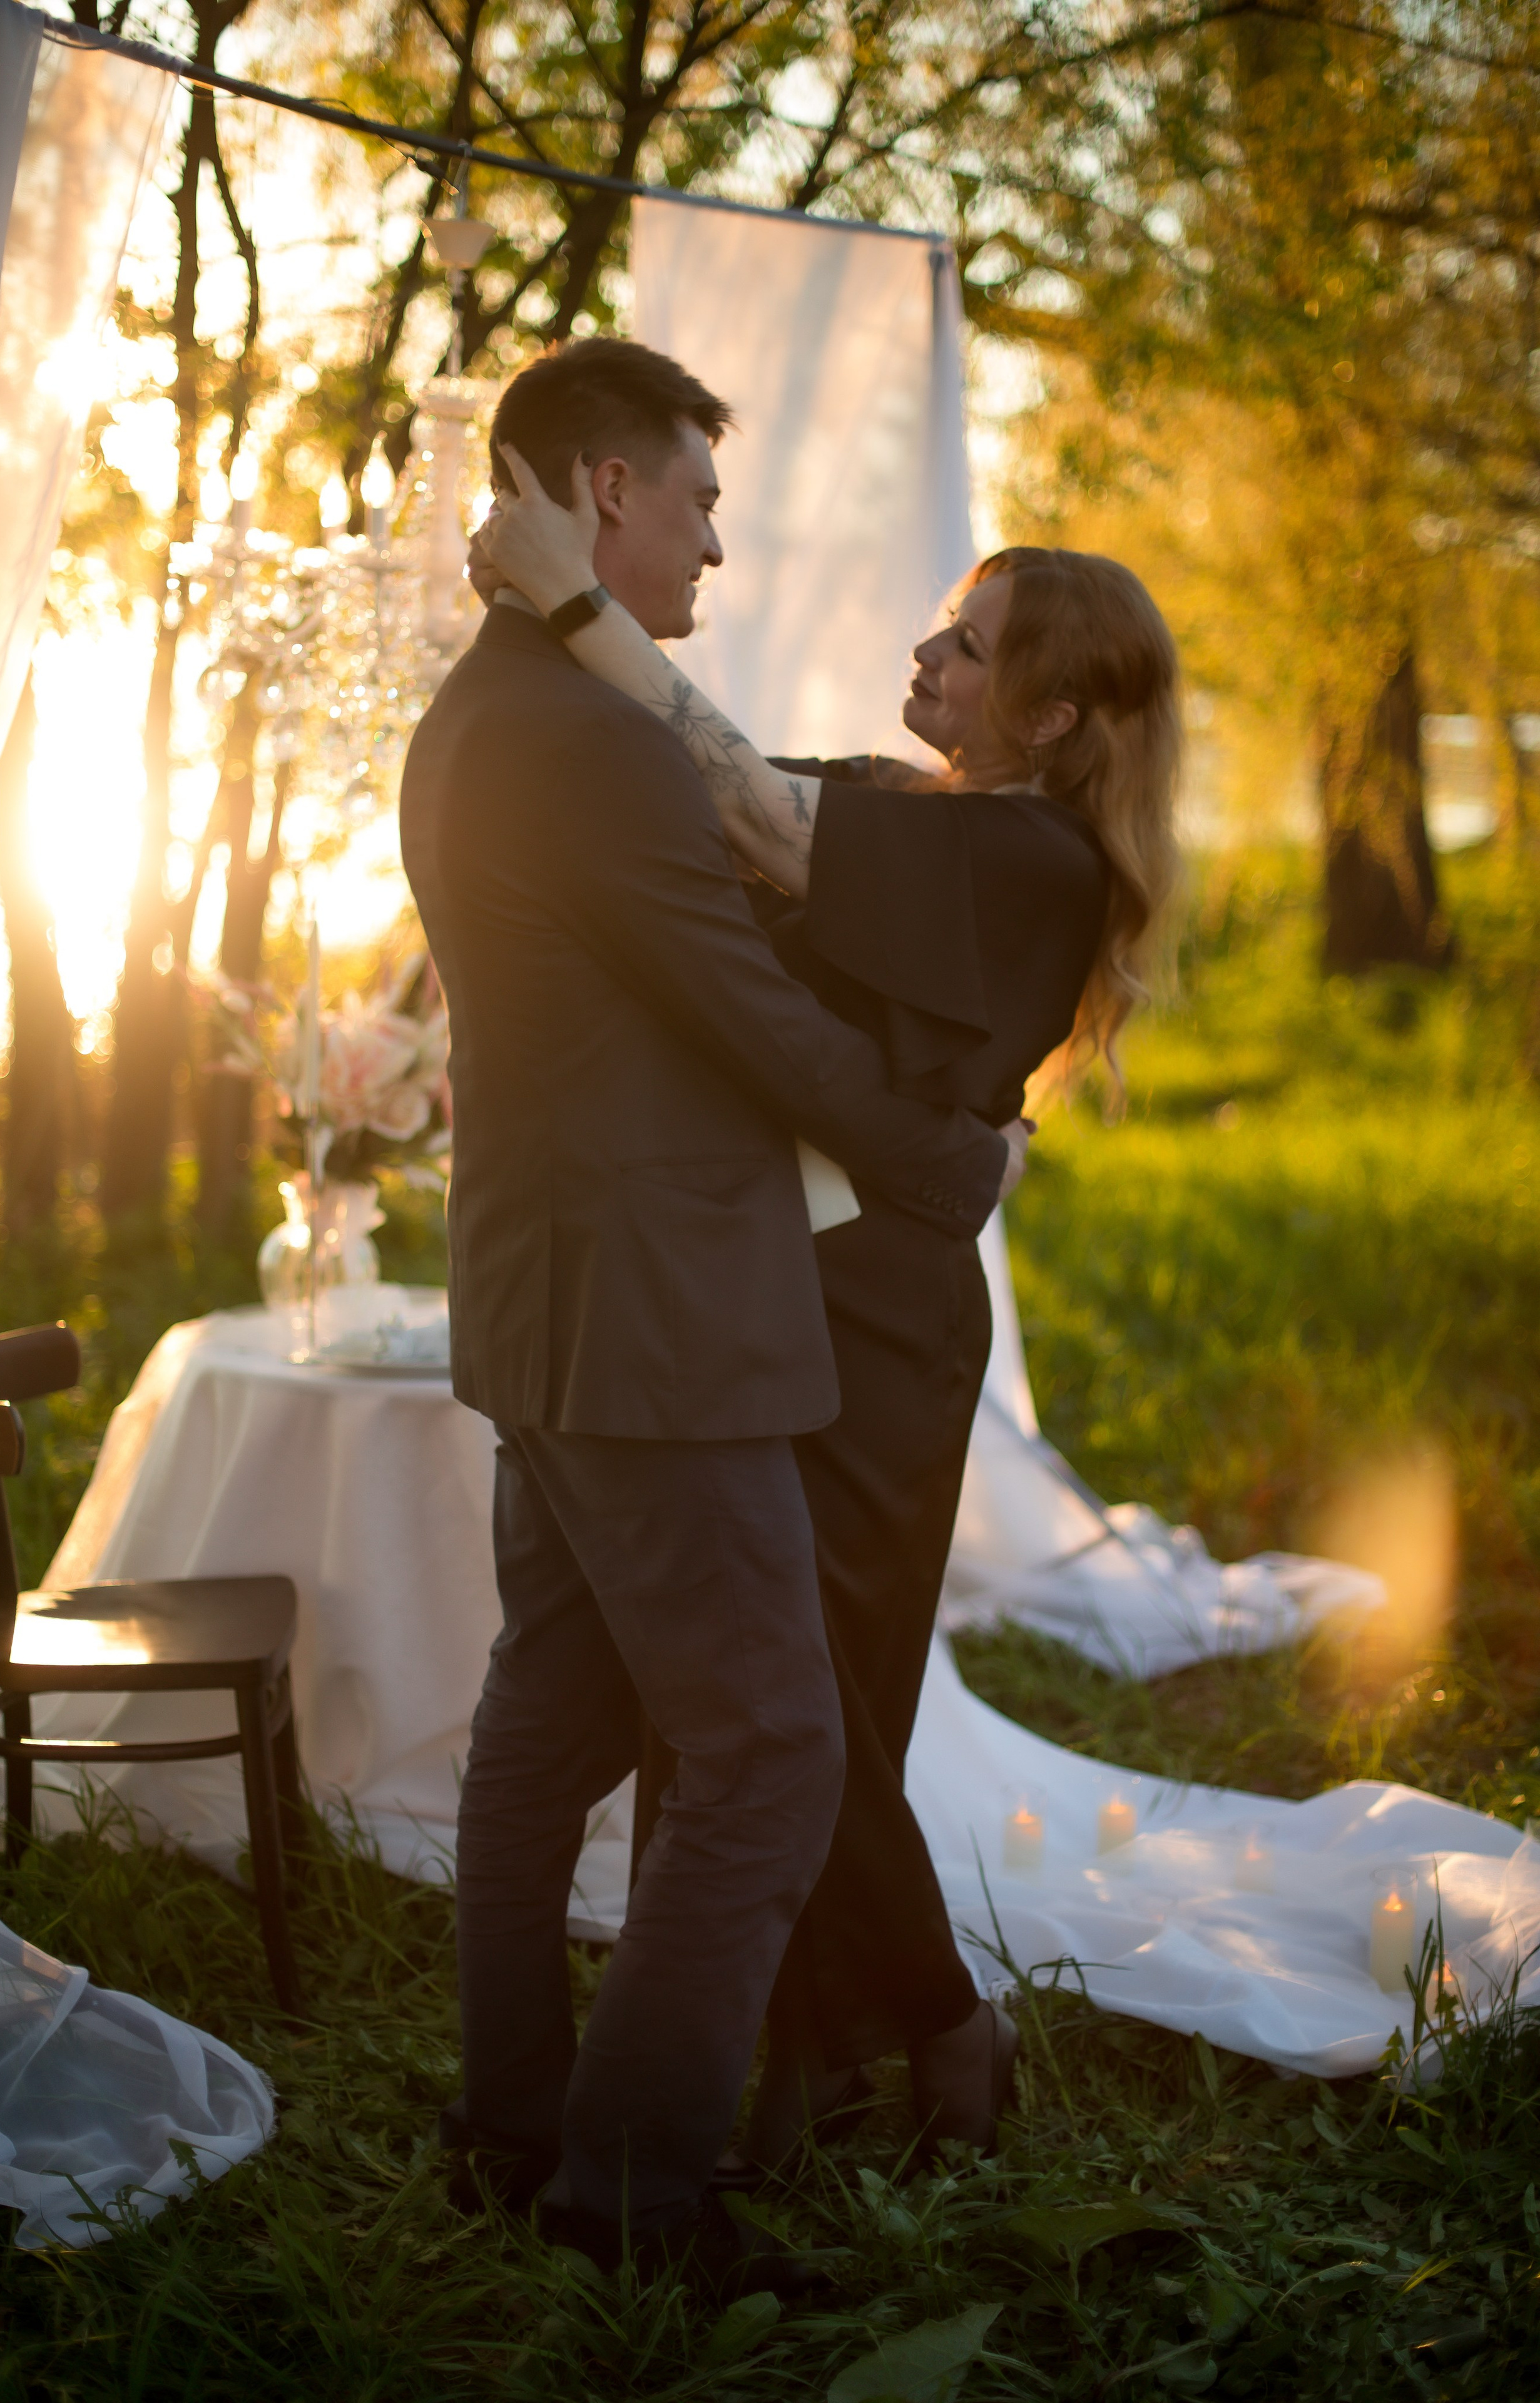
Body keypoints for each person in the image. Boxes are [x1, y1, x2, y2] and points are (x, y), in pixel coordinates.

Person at [477, 451, 1182, 2170]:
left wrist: (571, 594)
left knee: (810, 1716)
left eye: (973, 645)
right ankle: (781, 2078)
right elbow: (680, 792)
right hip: (749, 1280)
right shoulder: (920, 807)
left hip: (875, 1314)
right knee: (728, 1704)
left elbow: (741, 815)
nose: (930, 660)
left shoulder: (1032, 862)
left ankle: (934, 2021)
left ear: (1063, 711)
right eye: (941, 633)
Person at [397, 339, 1011, 2286]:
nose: (718, 549)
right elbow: (744, 1018)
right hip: (655, 1322)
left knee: (544, 1735)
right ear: (603, 491)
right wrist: (939, 1156)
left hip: (549, 1302)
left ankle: (511, 2125)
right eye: (699, 502)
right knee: (767, 1754)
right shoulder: (588, 746)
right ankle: (637, 2196)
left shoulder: (484, 715)